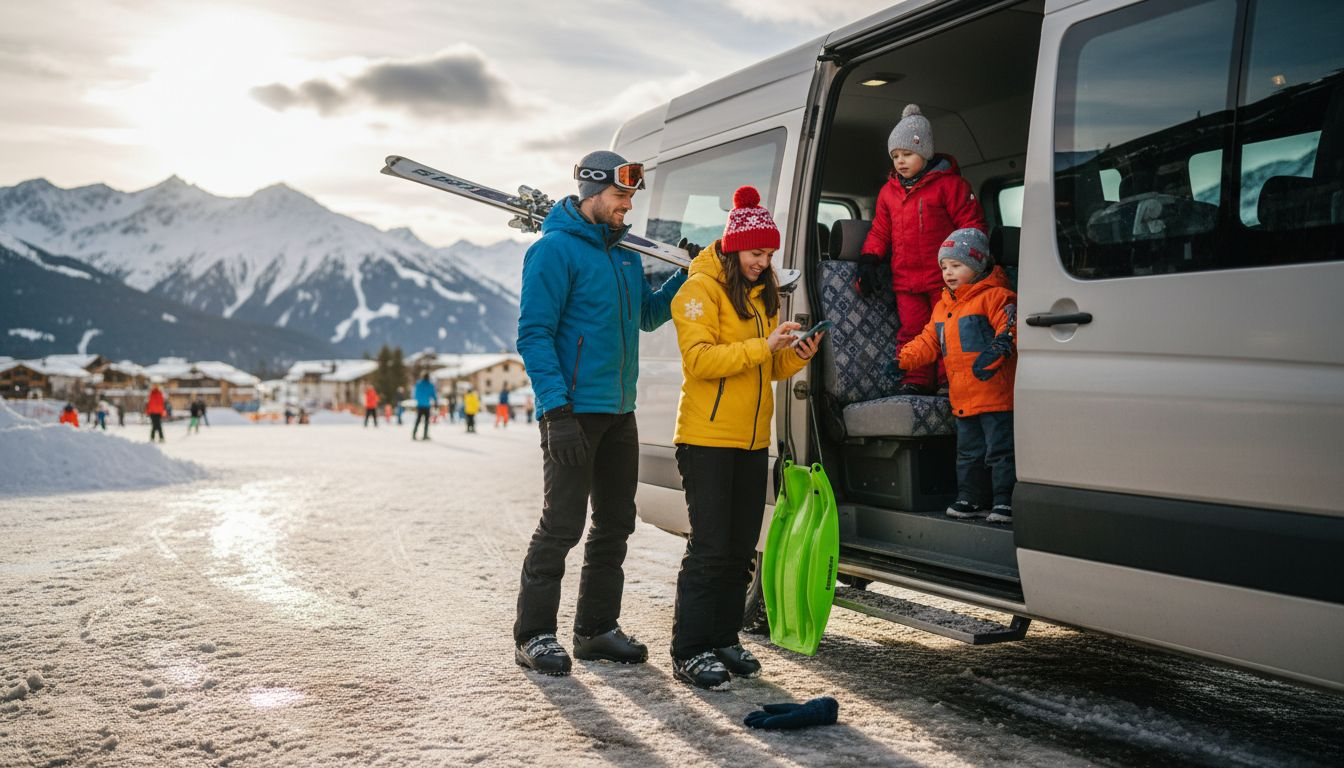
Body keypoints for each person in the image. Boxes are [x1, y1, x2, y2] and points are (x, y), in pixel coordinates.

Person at [511, 150, 687, 676]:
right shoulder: (554, 252)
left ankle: (594, 630)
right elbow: (534, 334)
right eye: (619, 197)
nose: (627, 208)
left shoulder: (625, 255)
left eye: (631, 197)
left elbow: (650, 317)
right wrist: (556, 409)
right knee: (561, 525)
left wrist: (683, 276)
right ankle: (535, 635)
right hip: (572, 412)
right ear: (590, 194)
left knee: (615, 523)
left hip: (619, 411)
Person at [666, 186, 822, 689]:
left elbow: (767, 366)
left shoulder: (762, 296)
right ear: (734, 248)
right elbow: (702, 361)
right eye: (757, 253)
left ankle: (724, 639)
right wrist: (762, 345)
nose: (764, 262)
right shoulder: (698, 292)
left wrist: (796, 354)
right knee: (710, 547)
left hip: (753, 442)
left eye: (770, 254)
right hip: (706, 439)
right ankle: (690, 649)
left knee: (739, 549)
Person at [858, 104, 987, 396]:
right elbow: (880, 231)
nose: (901, 162)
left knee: (947, 330)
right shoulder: (888, 192)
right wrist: (869, 260)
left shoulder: (950, 186)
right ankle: (915, 379)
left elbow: (971, 226)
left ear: (925, 152)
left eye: (908, 154)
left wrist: (972, 263)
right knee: (912, 332)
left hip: (944, 278)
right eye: (895, 156)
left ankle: (947, 380)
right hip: (906, 280)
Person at [894, 228, 1016, 524]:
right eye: (944, 267)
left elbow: (1010, 328)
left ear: (977, 265)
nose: (948, 273)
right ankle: (971, 498)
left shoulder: (996, 296)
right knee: (968, 453)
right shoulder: (943, 307)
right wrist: (902, 361)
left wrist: (1000, 346)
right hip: (962, 398)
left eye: (956, 266)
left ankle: (1004, 501)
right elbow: (927, 341)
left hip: (996, 396)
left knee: (1000, 452)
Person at [412, 373, 437, 440]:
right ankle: (425, 435)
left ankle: (414, 434)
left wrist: (418, 400)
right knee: (426, 421)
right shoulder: (430, 385)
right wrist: (436, 402)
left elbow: (415, 394)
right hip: (426, 405)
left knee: (418, 420)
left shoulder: (418, 384)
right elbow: (433, 394)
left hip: (420, 405)